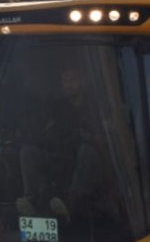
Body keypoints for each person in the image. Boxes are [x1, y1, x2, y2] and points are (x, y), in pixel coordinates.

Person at [15, 66, 104, 221]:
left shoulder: (96, 107)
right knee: (27, 152)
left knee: (86, 151)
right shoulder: (58, 108)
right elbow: (48, 134)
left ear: (83, 81)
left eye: (72, 80)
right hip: (60, 157)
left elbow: (104, 138)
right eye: (64, 81)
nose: (68, 85)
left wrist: (83, 136)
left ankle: (70, 204)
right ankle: (31, 199)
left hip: (86, 162)